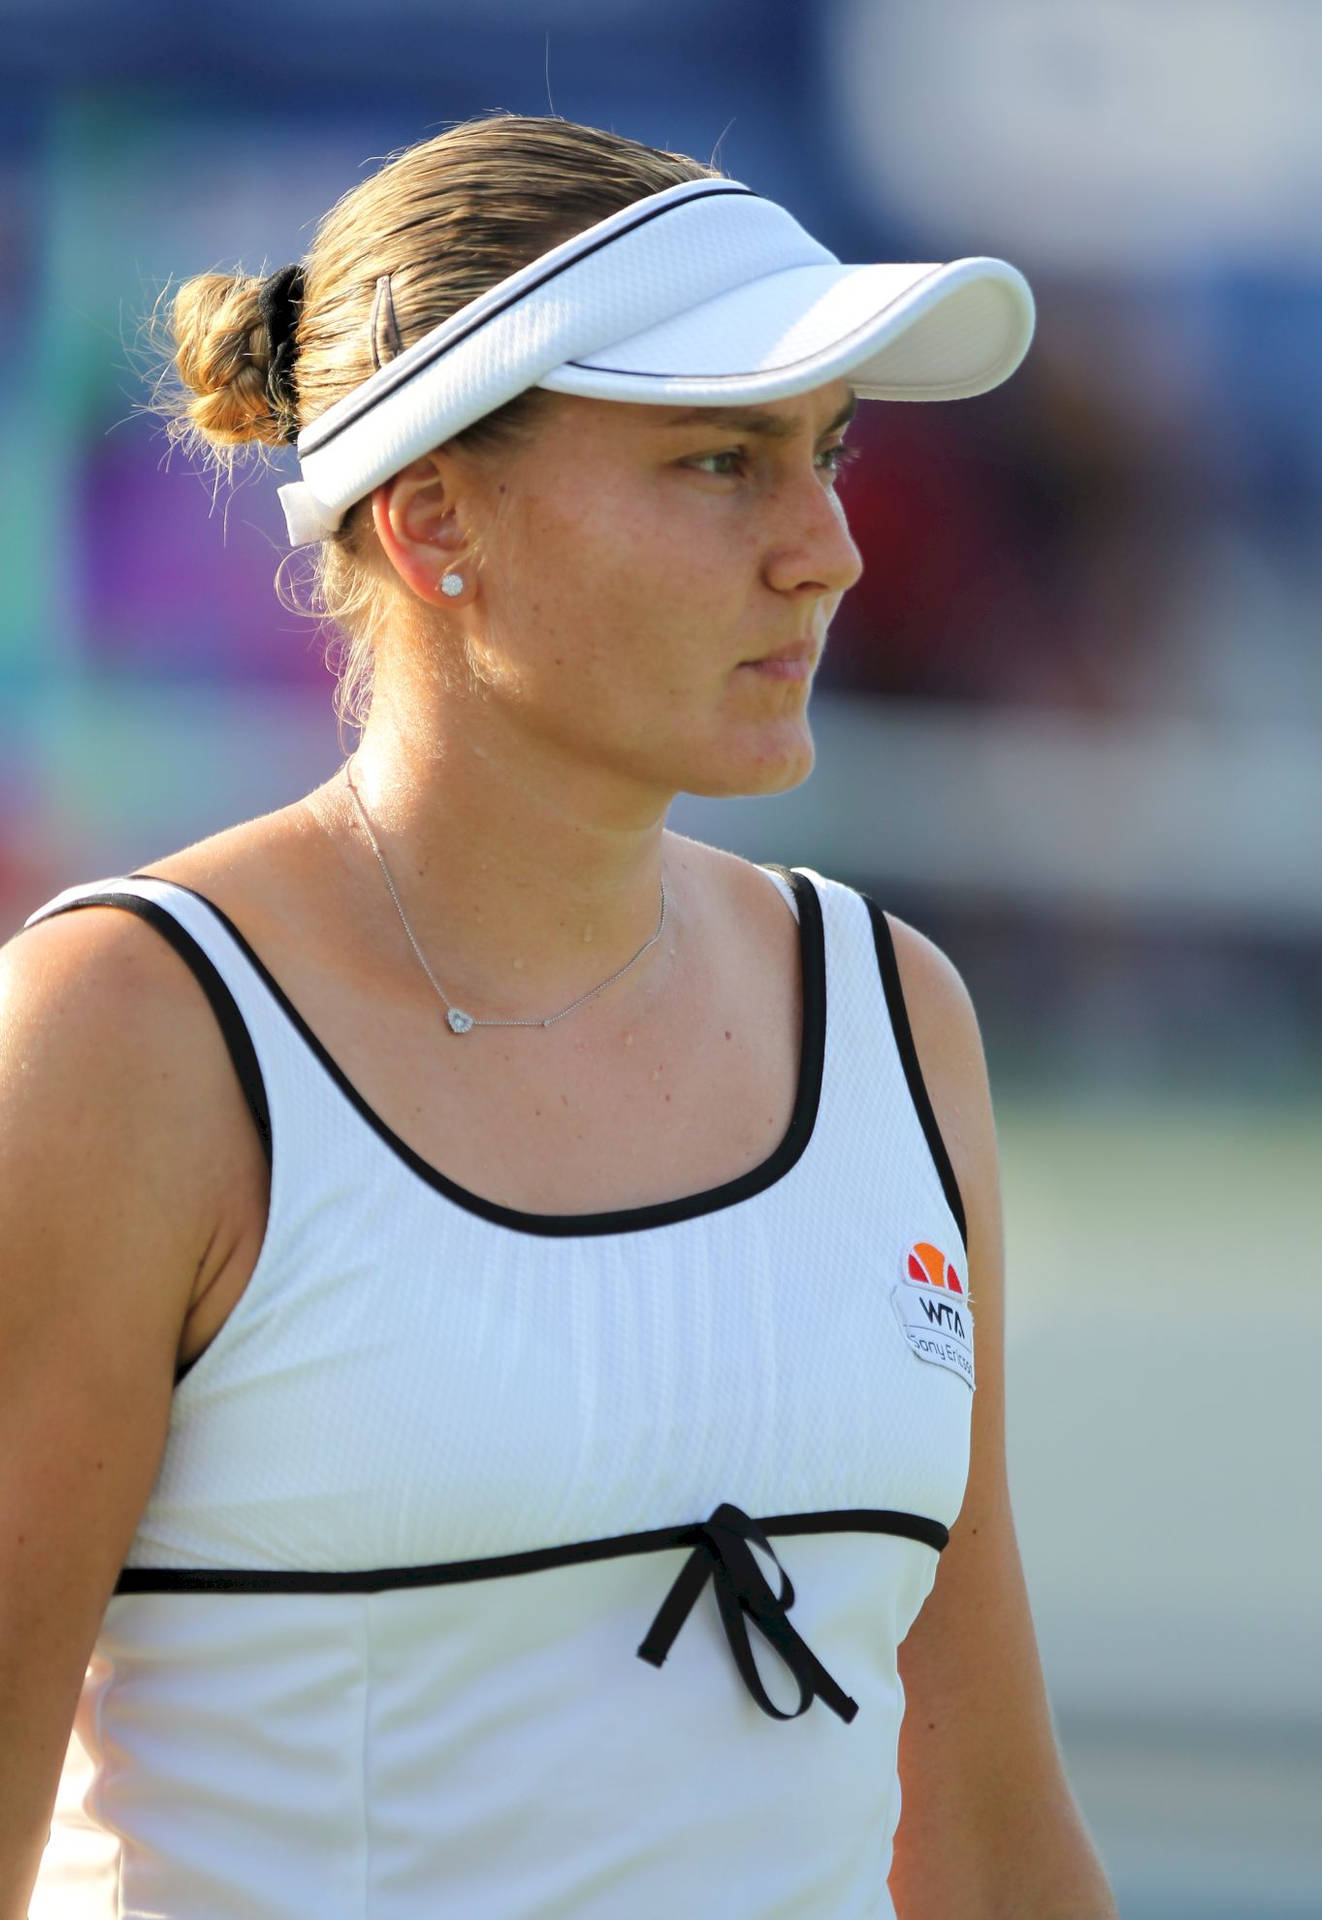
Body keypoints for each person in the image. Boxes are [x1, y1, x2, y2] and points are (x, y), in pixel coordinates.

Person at [1, 114, 1118, 1918]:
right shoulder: (122, 1031)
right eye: (717, 464)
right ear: (434, 518)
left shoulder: (901, 1015)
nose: (825, 549)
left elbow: (984, 1831)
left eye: (823, 456)